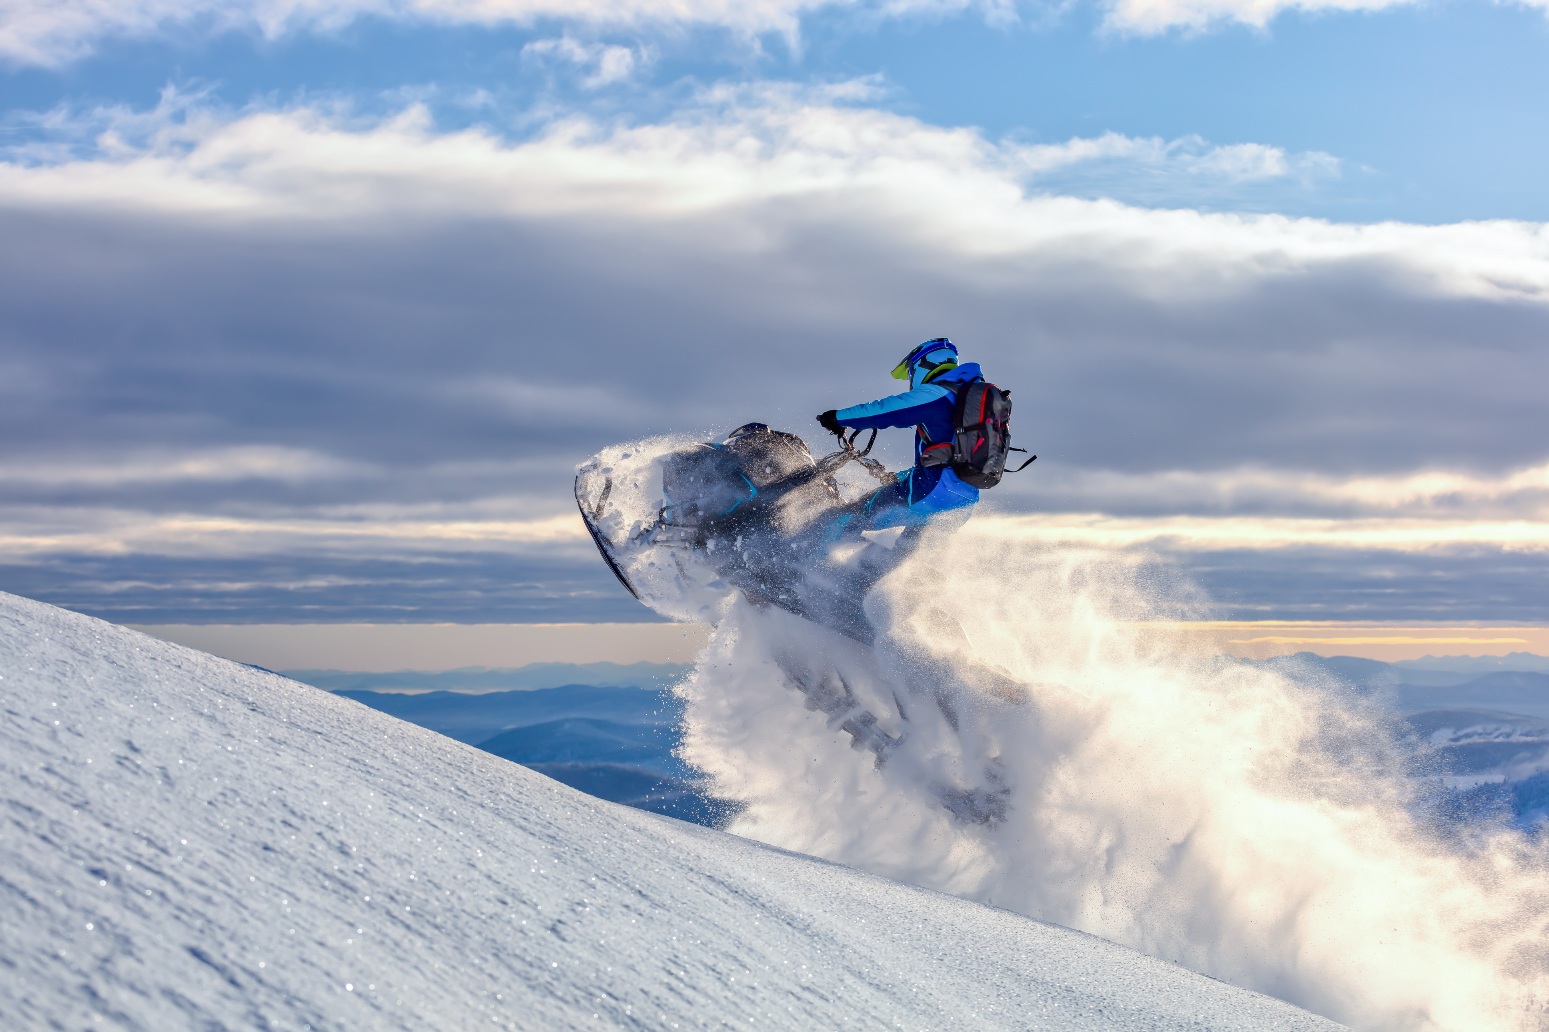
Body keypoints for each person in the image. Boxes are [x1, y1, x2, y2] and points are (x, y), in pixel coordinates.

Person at [816, 337, 983, 533]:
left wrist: (838, 418)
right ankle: (874, 563)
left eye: (912, 371)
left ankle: (803, 553)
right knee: (914, 535)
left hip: (930, 491)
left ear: (924, 364)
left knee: (854, 513)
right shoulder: (970, 402)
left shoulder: (936, 395)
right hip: (964, 500)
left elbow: (885, 410)